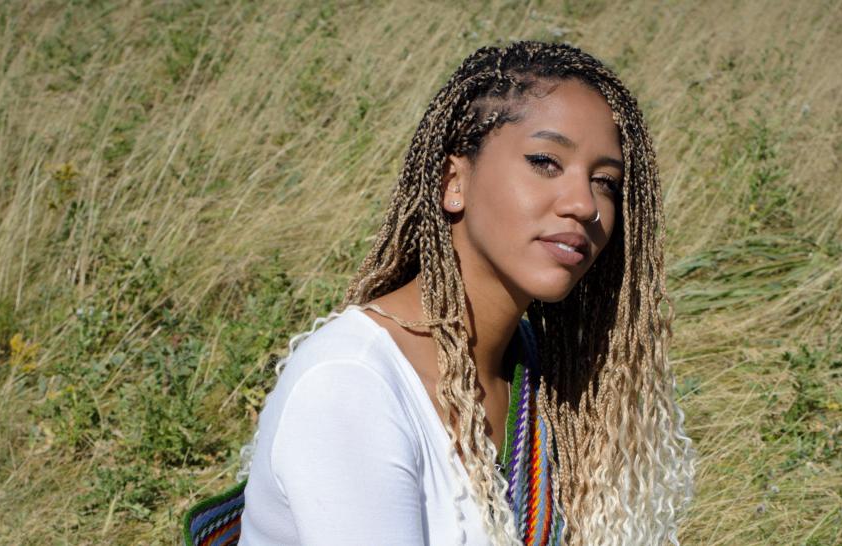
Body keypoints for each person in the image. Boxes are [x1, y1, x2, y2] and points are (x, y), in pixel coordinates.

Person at [237, 40, 695, 545]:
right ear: (452, 181)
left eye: (606, 181)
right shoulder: (352, 385)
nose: (584, 204)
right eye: (546, 161)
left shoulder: (546, 375)